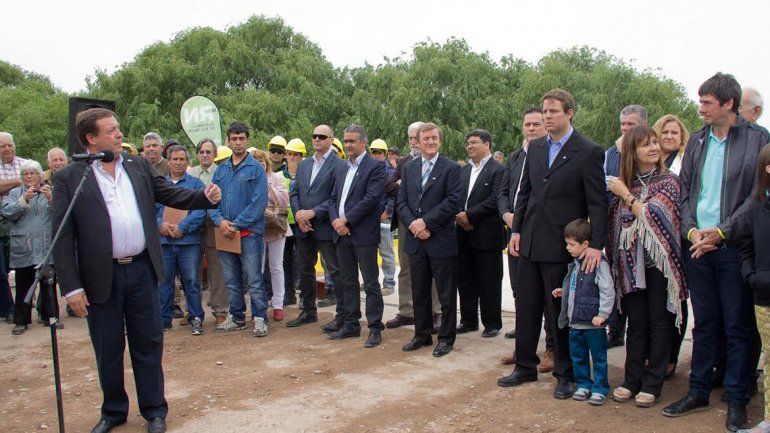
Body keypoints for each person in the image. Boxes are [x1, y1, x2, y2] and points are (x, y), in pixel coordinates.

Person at [52, 108, 220, 433]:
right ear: (91, 138)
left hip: (142, 271)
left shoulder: (136, 164)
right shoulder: (70, 177)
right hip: (102, 278)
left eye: (118, 129)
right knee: (108, 348)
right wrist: (71, 287)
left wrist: (203, 197)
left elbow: (168, 193)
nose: (119, 134)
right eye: (111, 130)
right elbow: (61, 235)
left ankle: (154, 410)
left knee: (148, 343)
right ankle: (113, 411)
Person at [662, 73, 769, 433]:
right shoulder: (697, 141)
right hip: (697, 247)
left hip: (734, 247)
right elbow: (687, 190)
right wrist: (692, 231)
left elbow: (757, 195)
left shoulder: (758, 139)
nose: (700, 108)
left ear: (728, 104)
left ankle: (737, 400)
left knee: (737, 326)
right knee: (705, 323)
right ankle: (698, 390)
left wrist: (721, 232)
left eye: (707, 102)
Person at [499, 89, 607, 400]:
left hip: (563, 247)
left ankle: (565, 373)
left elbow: (598, 205)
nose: (547, 116)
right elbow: (525, 194)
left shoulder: (587, 151)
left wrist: (594, 246)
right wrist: (517, 231)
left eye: (553, 111)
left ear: (569, 113)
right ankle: (524, 366)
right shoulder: (534, 148)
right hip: (529, 243)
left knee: (560, 313)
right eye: (544, 111)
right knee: (527, 307)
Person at [607, 125, 686, 408]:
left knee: (659, 323)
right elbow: (617, 224)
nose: (654, 147)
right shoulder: (625, 182)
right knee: (636, 324)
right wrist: (626, 195)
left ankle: (653, 383)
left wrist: (627, 196)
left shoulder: (669, 181)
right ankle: (631, 379)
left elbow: (654, 216)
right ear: (632, 151)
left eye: (655, 142)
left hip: (660, 266)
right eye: (645, 144)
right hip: (631, 265)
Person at [497, 107, 556, 371]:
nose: (531, 129)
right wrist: (507, 216)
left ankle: (552, 349)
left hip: (541, 235)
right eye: (527, 124)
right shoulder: (515, 157)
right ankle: (524, 345)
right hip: (515, 233)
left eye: (536, 124)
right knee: (522, 292)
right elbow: (504, 192)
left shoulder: (550, 156)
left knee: (548, 295)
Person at [397, 122, 462, 357]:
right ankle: (421, 334)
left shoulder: (452, 168)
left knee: (445, 294)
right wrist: (415, 226)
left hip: (441, 239)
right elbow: (401, 201)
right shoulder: (409, 168)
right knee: (420, 292)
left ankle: (445, 338)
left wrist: (426, 223)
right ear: (418, 140)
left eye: (434, 138)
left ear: (440, 140)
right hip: (416, 241)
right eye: (426, 138)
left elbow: (452, 202)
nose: (431, 142)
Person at [328, 125, 387, 347]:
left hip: (363, 234)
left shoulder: (376, 167)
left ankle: (374, 328)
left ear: (363, 143)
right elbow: (333, 198)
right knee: (347, 281)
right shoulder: (342, 168)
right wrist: (336, 220)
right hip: (341, 233)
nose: (348, 145)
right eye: (346, 141)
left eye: (352, 141)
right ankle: (351, 325)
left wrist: (347, 220)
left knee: (370, 283)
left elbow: (371, 199)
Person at [209, 122, 269, 337]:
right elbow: (212, 201)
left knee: (253, 278)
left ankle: (260, 318)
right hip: (225, 233)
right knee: (231, 280)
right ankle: (237, 317)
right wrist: (220, 222)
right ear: (228, 141)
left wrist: (236, 224)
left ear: (247, 140)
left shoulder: (256, 169)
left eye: (241, 138)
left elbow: (259, 203)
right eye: (233, 139)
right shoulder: (221, 170)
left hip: (249, 233)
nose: (237, 142)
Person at [286, 125, 345, 329]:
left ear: (331, 139)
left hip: (326, 226)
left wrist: (313, 212)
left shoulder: (340, 165)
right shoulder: (304, 164)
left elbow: (335, 198)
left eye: (322, 136)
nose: (317, 139)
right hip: (304, 228)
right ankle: (308, 311)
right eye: (314, 136)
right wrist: (300, 216)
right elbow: (294, 192)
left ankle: (342, 315)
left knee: (334, 270)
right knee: (305, 270)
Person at [384, 122, 442, 332]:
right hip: (406, 221)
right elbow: (389, 186)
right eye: (409, 138)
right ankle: (407, 311)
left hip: (432, 223)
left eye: (414, 137)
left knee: (434, 269)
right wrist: (407, 187)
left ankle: (436, 312)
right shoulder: (403, 162)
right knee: (406, 268)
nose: (412, 142)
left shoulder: (442, 163)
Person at [553, 218, 614, 406]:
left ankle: (600, 387)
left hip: (593, 323)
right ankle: (583, 384)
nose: (567, 248)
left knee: (598, 357)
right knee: (578, 355)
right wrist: (565, 292)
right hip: (575, 322)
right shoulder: (576, 263)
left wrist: (603, 314)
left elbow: (607, 289)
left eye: (571, 244)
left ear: (585, 244)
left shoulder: (598, 263)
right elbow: (577, 287)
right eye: (567, 244)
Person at [650, 115, 691, 380]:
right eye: (664, 132)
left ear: (682, 136)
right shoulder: (649, 161)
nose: (668, 137)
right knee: (654, 303)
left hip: (679, 240)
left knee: (677, 298)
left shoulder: (685, 162)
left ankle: (671, 358)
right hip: (652, 244)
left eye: (674, 132)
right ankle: (653, 354)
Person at [604, 104, 648, 348]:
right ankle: (615, 329)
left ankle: (640, 337)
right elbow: (604, 183)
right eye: (622, 124)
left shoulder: (649, 151)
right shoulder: (611, 152)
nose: (624, 128)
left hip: (640, 227)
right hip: (614, 225)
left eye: (630, 124)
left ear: (643, 125)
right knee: (615, 275)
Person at [456, 129, 506, 337]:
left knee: (489, 281)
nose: (470, 146)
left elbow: (496, 200)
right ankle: (468, 320)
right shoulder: (464, 171)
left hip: (487, 234)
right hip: (463, 233)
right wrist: (460, 216)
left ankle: (492, 323)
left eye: (474, 142)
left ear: (487, 144)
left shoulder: (498, 170)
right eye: (468, 143)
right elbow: (456, 196)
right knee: (465, 279)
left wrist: (470, 215)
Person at [735, 143, 770, 433]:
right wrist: (754, 277)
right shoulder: (758, 207)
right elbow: (746, 247)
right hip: (765, 295)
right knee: (769, 359)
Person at [156, 145, 206, 335]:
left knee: (192, 281)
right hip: (165, 242)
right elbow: (150, 210)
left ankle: (196, 318)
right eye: (174, 159)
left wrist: (182, 228)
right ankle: (163, 320)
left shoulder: (195, 185)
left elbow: (201, 210)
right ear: (168, 161)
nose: (178, 162)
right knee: (164, 281)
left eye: (181, 159)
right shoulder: (159, 185)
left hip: (189, 242)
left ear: (188, 162)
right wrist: (161, 225)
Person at [2, 161, 56, 335]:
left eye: (33, 173)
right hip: (24, 246)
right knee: (23, 284)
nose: (29, 177)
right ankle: (21, 320)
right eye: (25, 174)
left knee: (48, 284)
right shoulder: (14, 193)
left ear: (40, 175)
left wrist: (51, 199)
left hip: (45, 245)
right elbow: (7, 212)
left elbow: (63, 213)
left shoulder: (50, 190)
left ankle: (50, 317)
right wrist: (24, 199)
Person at [187, 138, 228, 326]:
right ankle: (192, 312)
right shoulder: (190, 173)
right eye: (201, 152)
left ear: (215, 155)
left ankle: (220, 310)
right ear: (197, 154)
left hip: (214, 226)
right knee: (191, 271)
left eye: (208, 152)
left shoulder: (221, 173)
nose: (204, 155)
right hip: (192, 228)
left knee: (216, 270)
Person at [251, 149, 290, 321]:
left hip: (275, 226)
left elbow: (284, 202)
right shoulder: (246, 179)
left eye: (262, 161)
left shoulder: (277, 178)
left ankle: (278, 304)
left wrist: (268, 186)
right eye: (256, 161)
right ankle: (258, 305)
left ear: (266, 163)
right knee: (256, 268)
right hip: (256, 228)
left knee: (276, 266)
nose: (259, 164)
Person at [0, 132, 28, 323]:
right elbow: (26, 181)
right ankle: (8, 308)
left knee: (27, 265)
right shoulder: (23, 172)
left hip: (23, 220)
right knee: (2, 270)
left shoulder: (25, 163)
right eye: (3, 146)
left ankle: (24, 304)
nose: (7, 149)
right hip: (2, 221)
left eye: (10, 145)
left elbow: (36, 180)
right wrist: (19, 181)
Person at [369, 138, 397, 295]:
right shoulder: (368, 170)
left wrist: (387, 212)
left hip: (383, 217)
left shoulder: (390, 173)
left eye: (379, 152)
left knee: (386, 252)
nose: (376, 155)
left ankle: (389, 283)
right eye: (374, 152)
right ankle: (371, 282)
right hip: (369, 218)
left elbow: (393, 196)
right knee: (369, 252)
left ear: (385, 154)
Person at [281, 138, 305, 306]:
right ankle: (288, 294)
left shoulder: (307, 173)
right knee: (285, 261)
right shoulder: (278, 176)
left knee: (304, 261)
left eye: (296, 154)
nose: (293, 157)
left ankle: (305, 297)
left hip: (301, 224)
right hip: (283, 224)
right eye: (290, 154)